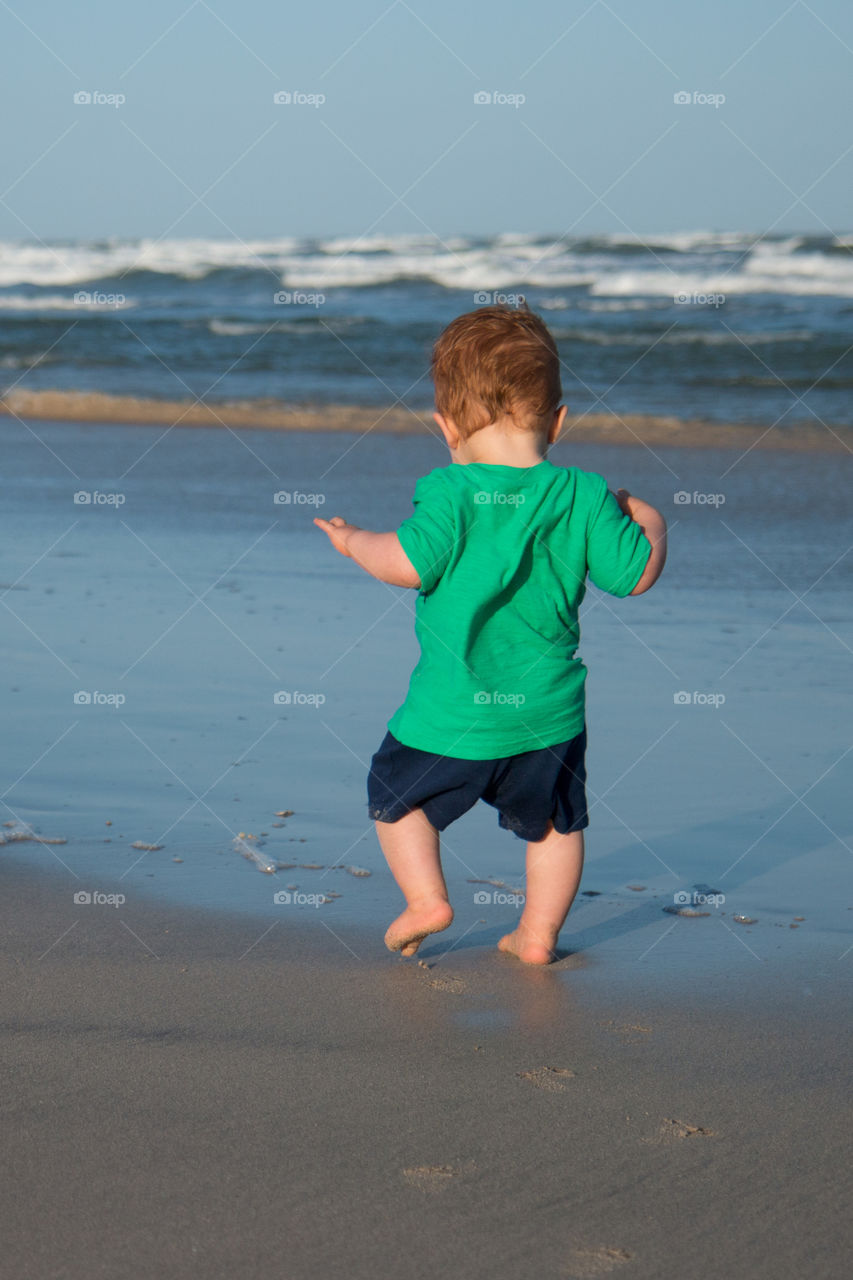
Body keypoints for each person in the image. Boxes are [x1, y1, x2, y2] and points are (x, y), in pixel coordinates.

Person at [314, 305, 667, 964]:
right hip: (547, 717)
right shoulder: (584, 493)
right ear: (557, 422)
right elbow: (635, 575)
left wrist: (353, 539)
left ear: (446, 427)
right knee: (557, 824)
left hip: (449, 716)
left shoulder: (450, 492)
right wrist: (649, 519)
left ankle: (427, 900)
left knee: (394, 799)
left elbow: (405, 563)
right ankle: (537, 935)